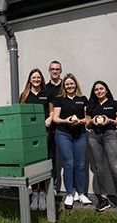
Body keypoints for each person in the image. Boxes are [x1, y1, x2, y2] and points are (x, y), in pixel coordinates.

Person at [85, 81, 117, 214]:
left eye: (101, 89)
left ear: (106, 90)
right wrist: (92, 122)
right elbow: (87, 124)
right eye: (96, 89)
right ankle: (103, 199)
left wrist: (110, 121)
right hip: (94, 137)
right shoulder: (91, 106)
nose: (99, 91)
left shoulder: (114, 104)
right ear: (94, 92)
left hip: (110, 135)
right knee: (100, 169)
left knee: (115, 169)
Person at [52, 73, 92, 209]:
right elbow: (55, 118)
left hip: (79, 134)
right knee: (69, 164)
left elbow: (88, 119)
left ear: (76, 84)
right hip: (63, 134)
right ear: (64, 86)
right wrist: (66, 121)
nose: (69, 86)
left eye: (71, 83)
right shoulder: (59, 99)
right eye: (67, 84)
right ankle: (69, 194)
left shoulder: (83, 99)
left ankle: (81, 193)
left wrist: (80, 121)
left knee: (80, 165)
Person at [20, 68, 53, 211]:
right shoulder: (24, 95)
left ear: (42, 79)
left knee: (44, 162)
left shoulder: (47, 94)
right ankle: (34, 193)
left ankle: (43, 194)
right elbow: (20, 113)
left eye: (38, 77)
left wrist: (50, 119)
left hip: (44, 131)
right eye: (34, 77)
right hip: (30, 134)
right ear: (30, 79)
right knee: (33, 163)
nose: (36, 79)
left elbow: (51, 111)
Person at [44, 60, 63, 195]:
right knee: (51, 158)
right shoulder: (45, 88)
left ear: (60, 71)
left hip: (65, 128)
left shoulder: (67, 85)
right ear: (49, 71)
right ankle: (53, 186)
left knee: (67, 159)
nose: (55, 71)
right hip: (50, 129)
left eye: (57, 69)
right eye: (52, 69)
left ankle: (71, 190)